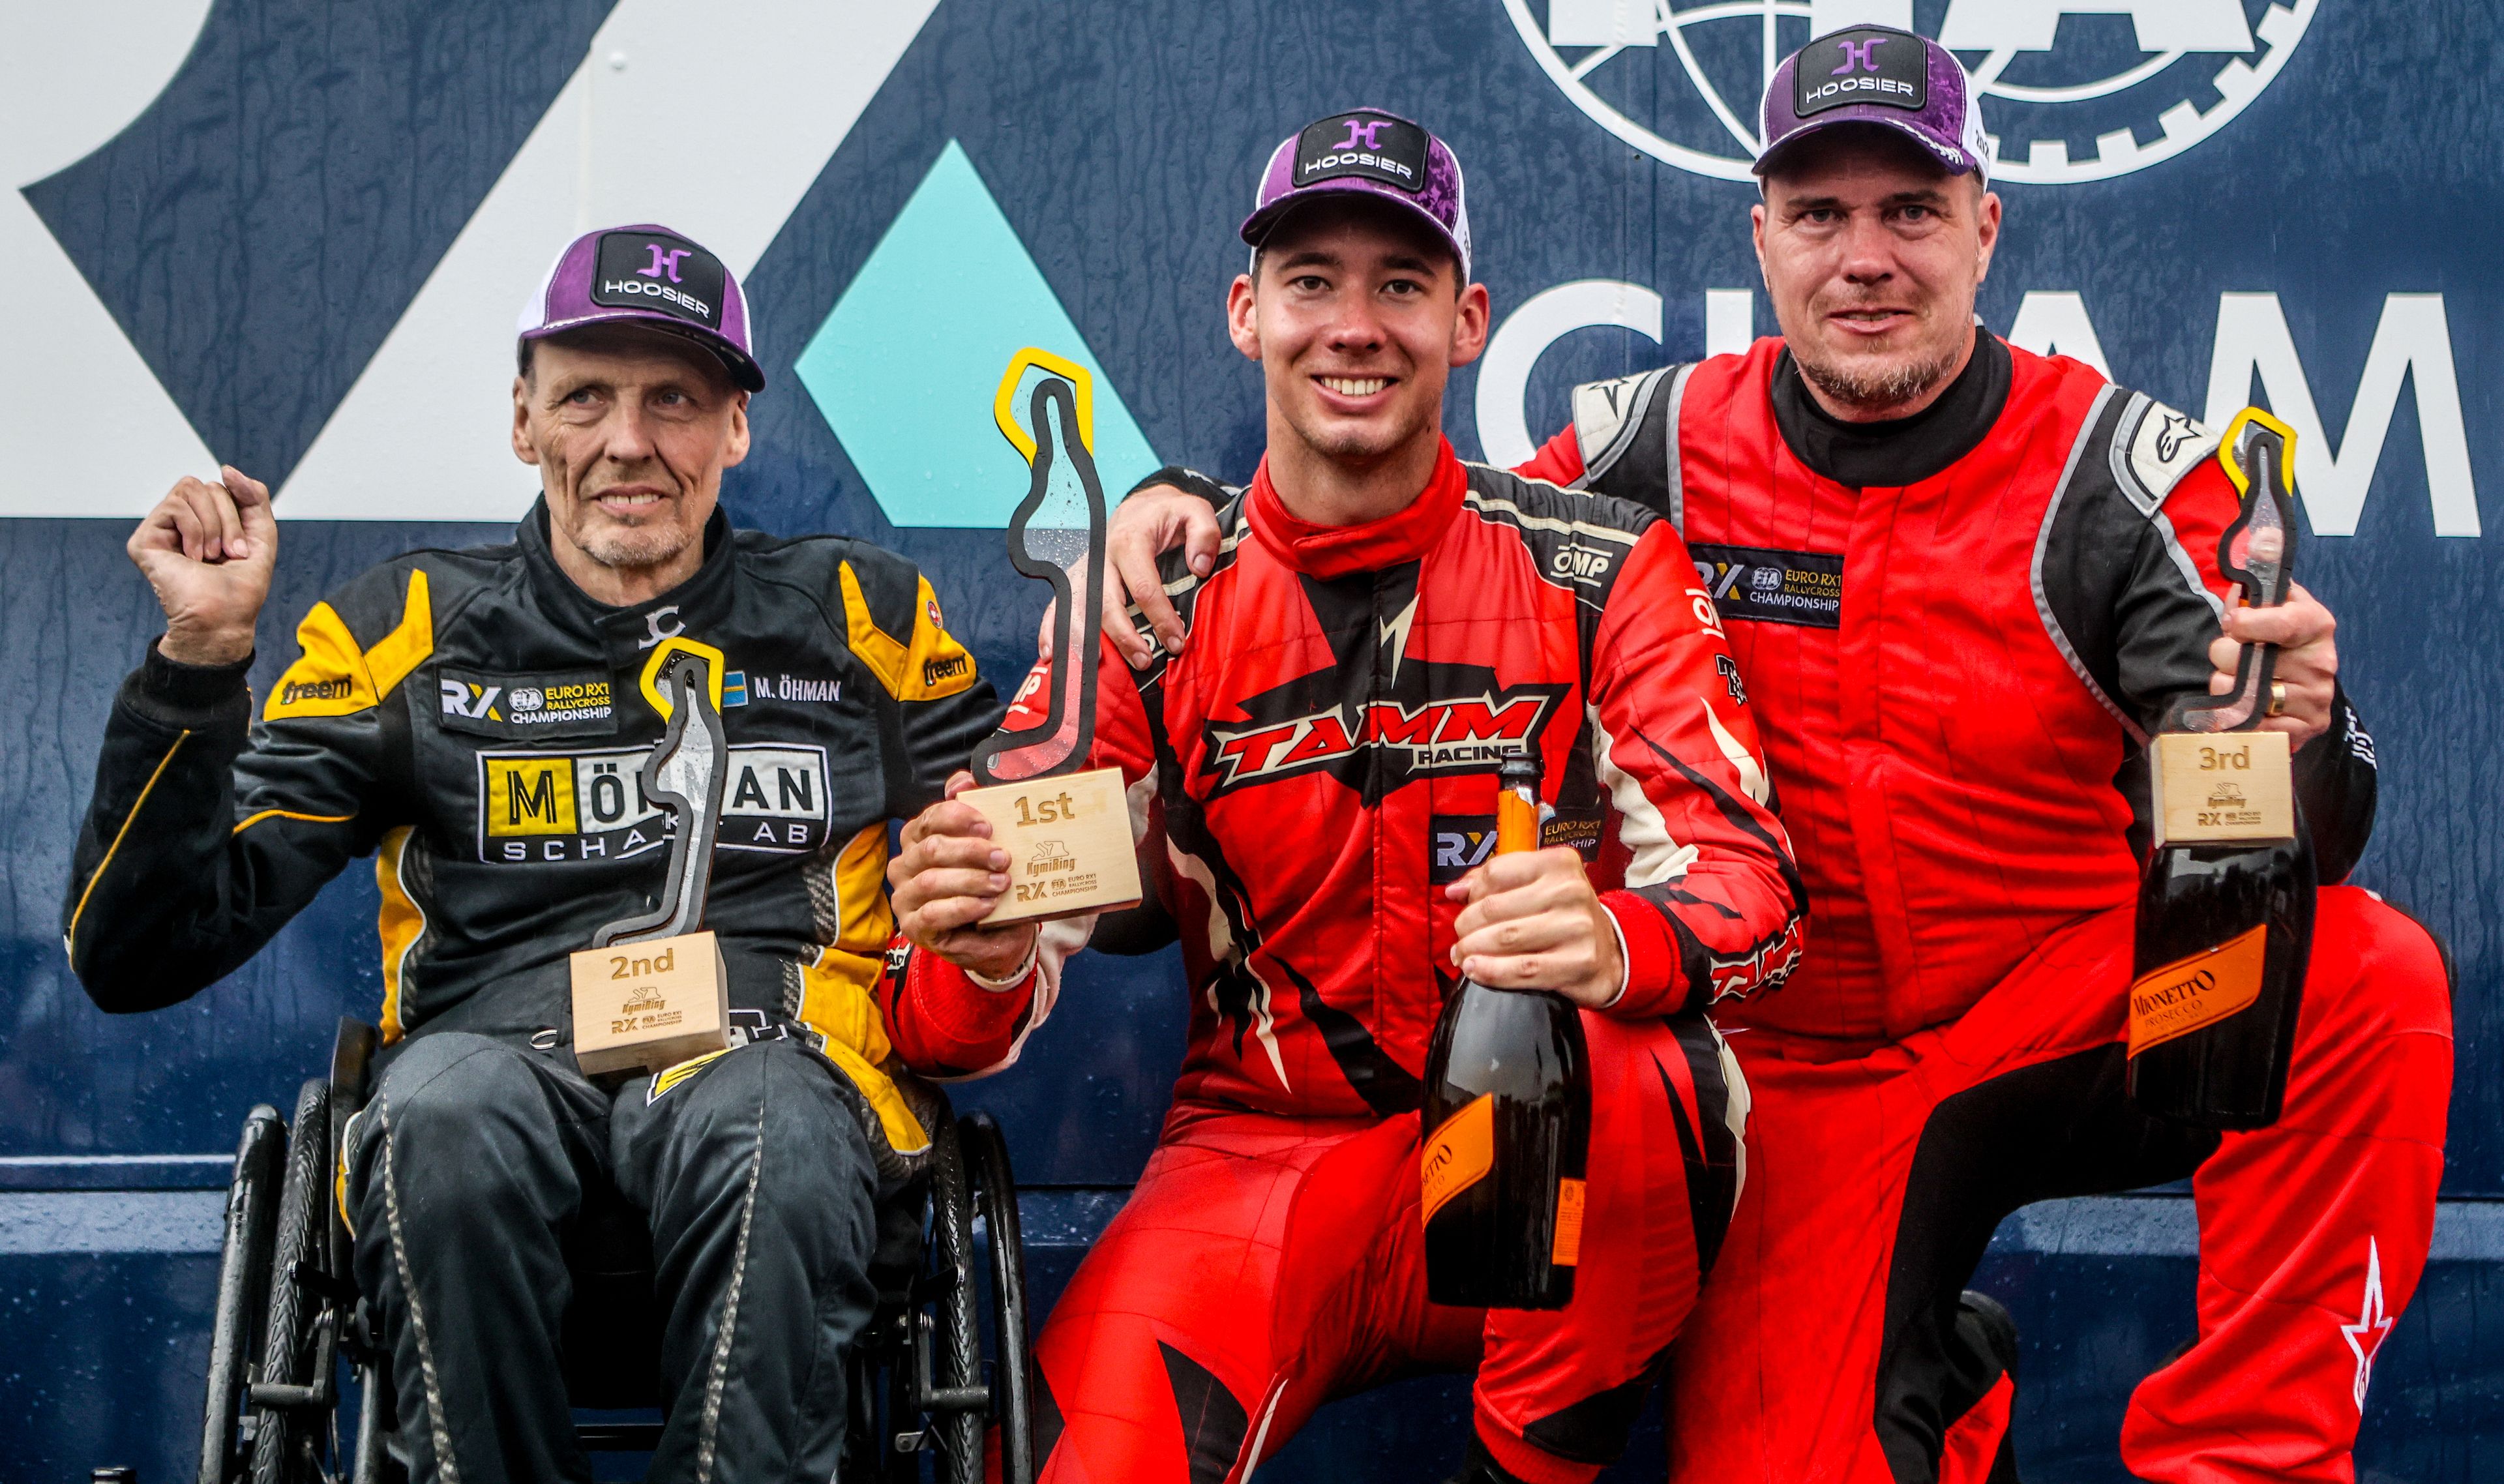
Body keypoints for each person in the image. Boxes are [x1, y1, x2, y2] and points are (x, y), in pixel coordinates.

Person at [1106, 32, 2452, 1484]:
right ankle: (1931, 1368)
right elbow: (1406, 509)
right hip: (1786, 1078)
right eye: (1820, 215)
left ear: (1985, 228)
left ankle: (2247, 1462)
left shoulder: (2120, 472)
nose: (1864, 258)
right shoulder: (1648, 446)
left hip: (2048, 1009)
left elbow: (2295, 839)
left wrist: (2301, 739)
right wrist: (1185, 506)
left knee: (2363, 978)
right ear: (1761, 238)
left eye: (1910, 212)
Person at [886, 110, 1806, 1484]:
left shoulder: (1602, 569)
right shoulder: (1144, 605)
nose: (1354, 325)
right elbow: (951, 1021)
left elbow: (1759, 896)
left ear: (1470, 317)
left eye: (1401, 283)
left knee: (1649, 1066)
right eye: (1311, 281)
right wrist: (974, 944)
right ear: (1246, 311)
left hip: (1534, 1143)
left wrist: (1619, 940)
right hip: (1260, 1159)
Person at [63, 224, 1037, 1483]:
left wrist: (1026, 862)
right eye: (586, 397)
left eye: (674, 399)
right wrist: (198, 669)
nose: (628, 441)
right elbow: (140, 951)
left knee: (774, 1122)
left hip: (780, 1080)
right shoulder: (400, 633)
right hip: (489, 1083)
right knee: (444, 1121)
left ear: (736, 426)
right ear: (524, 422)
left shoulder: (865, 618)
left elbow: (1051, 832)